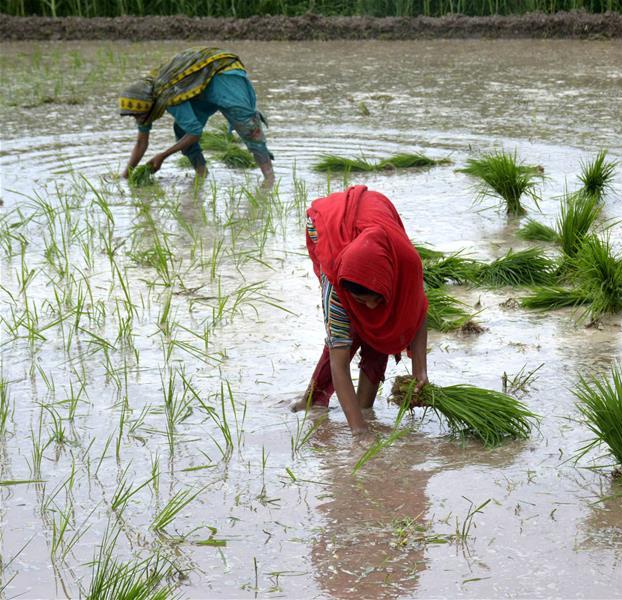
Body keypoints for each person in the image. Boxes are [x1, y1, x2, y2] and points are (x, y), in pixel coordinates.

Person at [293, 185, 429, 433]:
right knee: (345, 330)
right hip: (326, 228)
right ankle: (312, 400)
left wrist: (421, 371)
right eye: (361, 300)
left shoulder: (407, 265)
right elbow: (339, 361)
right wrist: (359, 430)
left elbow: (417, 311)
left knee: (383, 324)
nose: (369, 306)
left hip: (376, 213)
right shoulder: (337, 289)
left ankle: (365, 406)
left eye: (374, 298)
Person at [118, 47, 274, 186]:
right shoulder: (145, 102)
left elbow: (195, 133)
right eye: (133, 116)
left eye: (138, 115)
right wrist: (125, 176)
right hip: (201, 85)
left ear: (149, 107)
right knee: (181, 129)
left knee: (247, 126)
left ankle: (269, 179)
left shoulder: (167, 95)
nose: (137, 119)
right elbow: (141, 142)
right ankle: (201, 174)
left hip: (222, 72)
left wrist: (162, 156)